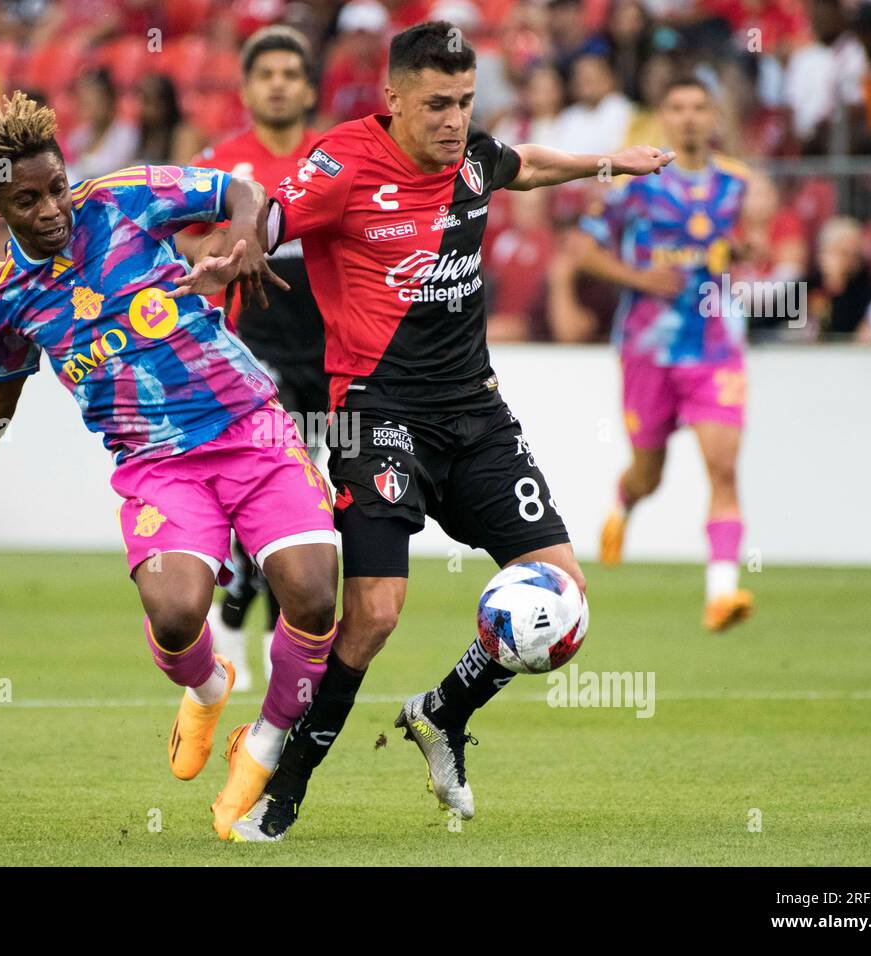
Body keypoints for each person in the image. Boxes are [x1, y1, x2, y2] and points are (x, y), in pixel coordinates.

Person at [215, 20, 673, 842]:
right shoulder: (345, 160)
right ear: (393, 99)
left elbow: (526, 165)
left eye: (464, 101)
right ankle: (283, 793)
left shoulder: (471, 159)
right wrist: (243, 248)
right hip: (378, 415)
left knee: (563, 601)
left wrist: (613, 162)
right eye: (436, 104)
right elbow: (278, 215)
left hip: (477, 415)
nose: (454, 119)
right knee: (375, 616)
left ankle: (441, 714)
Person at [0, 92, 339, 841]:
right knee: (174, 612)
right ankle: (205, 689)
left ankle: (261, 749)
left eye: (56, 186)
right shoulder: (9, 300)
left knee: (315, 595)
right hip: (155, 464)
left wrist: (245, 239)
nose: (50, 209)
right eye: (25, 199)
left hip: (251, 428)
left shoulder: (125, 200)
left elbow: (238, 186)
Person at [176, 25, 330, 693]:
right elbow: (182, 244)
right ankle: (251, 621)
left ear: (309, 88)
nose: (277, 83)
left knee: (313, 482)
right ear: (245, 88)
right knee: (274, 473)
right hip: (251, 352)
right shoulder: (220, 162)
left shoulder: (331, 157)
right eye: (265, 73)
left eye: (290, 73)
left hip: (332, 349)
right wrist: (214, 257)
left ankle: (250, 614)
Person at [577, 77, 754, 631]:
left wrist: (751, 252)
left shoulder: (741, 186)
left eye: (700, 107)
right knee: (649, 473)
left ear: (714, 117)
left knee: (722, 469)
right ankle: (624, 503)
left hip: (715, 346)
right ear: (663, 119)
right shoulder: (634, 186)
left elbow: (768, 246)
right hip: (647, 349)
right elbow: (581, 249)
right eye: (677, 108)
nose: (690, 118)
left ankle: (721, 594)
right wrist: (638, 276)